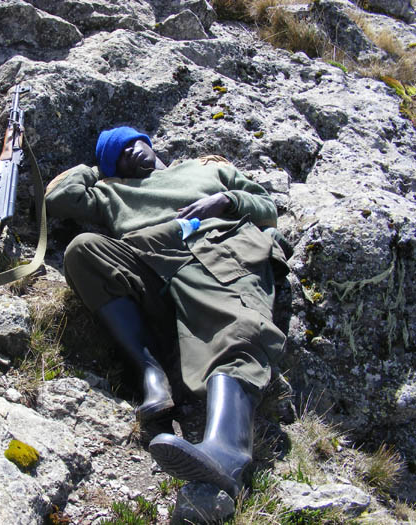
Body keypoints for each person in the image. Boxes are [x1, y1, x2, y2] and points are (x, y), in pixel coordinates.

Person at [45, 126, 289, 498]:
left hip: (217, 249)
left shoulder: (205, 170)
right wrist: (99, 170)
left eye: (132, 144)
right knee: (83, 249)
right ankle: (151, 377)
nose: (130, 154)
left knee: (237, 329)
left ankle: (226, 453)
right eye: (119, 156)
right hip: (153, 268)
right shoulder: (112, 190)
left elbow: (266, 206)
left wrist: (224, 201)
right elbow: (59, 197)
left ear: (148, 141)